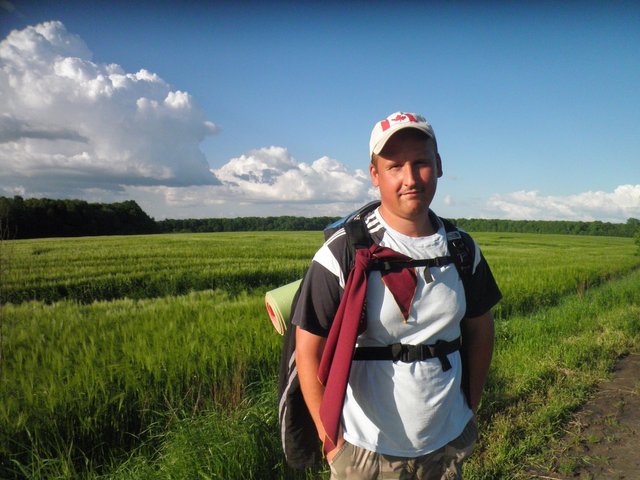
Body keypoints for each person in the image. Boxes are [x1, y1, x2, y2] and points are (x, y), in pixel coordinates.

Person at [291, 111, 501, 480]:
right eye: (394, 166)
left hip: (446, 442)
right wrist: (332, 443)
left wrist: (470, 407)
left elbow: (481, 331)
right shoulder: (343, 252)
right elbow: (308, 351)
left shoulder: (462, 249)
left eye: (421, 163)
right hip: (366, 450)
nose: (410, 179)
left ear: (438, 166)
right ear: (375, 175)